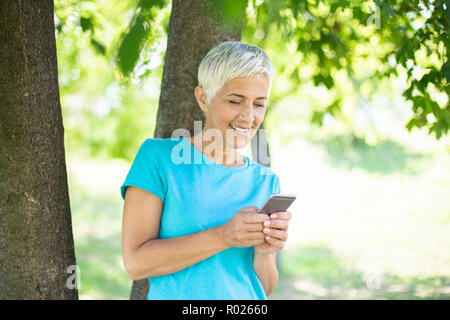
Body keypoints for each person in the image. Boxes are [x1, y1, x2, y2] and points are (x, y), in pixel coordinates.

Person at [120, 41, 292, 300]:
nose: (248, 116)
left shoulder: (266, 181)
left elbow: (262, 289)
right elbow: (136, 263)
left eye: (259, 104)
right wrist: (224, 236)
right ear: (203, 98)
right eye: (236, 101)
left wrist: (265, 252)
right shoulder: (158, 159)